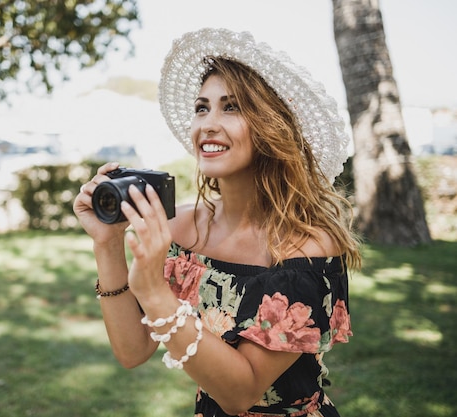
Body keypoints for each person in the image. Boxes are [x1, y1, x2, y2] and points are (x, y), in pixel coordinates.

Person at [74, 28, 362, 417]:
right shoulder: (182, 228)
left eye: (231, 107)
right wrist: (107, 244)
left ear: (270, 128)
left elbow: (239, 393)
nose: (208, 123)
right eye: (201, 107)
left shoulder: (305, 248)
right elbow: (132, 351)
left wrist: (154, 292)